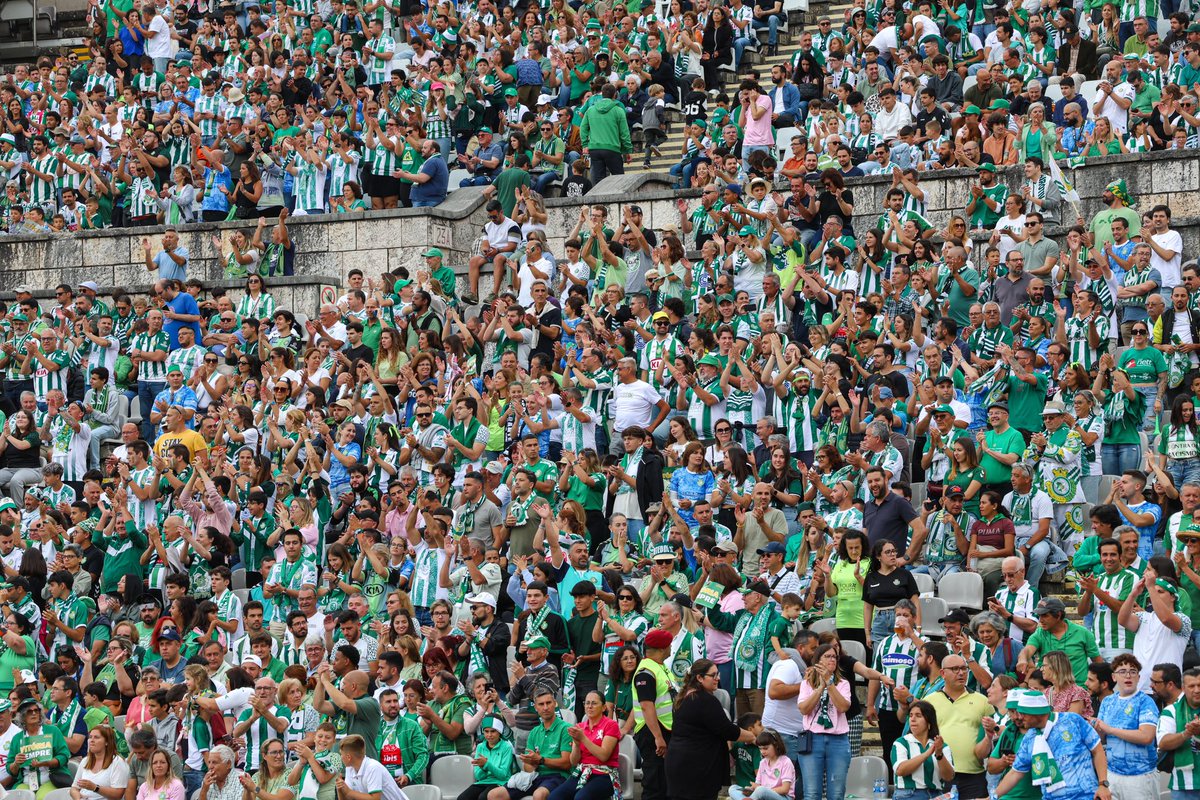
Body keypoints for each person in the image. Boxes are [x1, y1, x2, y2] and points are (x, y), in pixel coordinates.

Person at [664, 659, 756, 800]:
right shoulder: (704, 700)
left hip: (680, 764)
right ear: (700, 678)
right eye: (713, 675)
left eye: (717, 674)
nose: (718, 678)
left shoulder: (685, 697)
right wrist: (753, 737)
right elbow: (727, 730)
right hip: (696, 768)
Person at [993, 691, 1110, 800]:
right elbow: (1015, 773)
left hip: (1086, 796)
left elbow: (1098, 750)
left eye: (1023, 713)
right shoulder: (1029, 738)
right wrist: (993, 797)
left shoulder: (1072, 720)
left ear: (1036, 713)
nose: (1019, 717)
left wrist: (1103, 784)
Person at [796, 644, 852, 800]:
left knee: (836, 793)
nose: (832, 659)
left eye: (834, 656)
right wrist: (820, 687)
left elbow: (843, 706)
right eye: (827, 656)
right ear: (818, 660)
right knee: (812, 793)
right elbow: (804, 709)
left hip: (838, 741)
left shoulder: (843, 684)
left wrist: (830, 684)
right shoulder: (807, 683)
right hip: (812, 740)